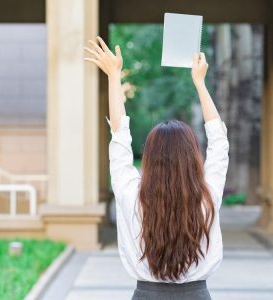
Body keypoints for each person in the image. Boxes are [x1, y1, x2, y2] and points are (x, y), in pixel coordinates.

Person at [84, 36, 229, 300]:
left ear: (149, 159)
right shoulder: (207, 196)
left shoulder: (131, 196)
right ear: (192, 157)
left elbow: (119, 137)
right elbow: (219, 141)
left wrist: (114, 76)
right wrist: (200, 83)